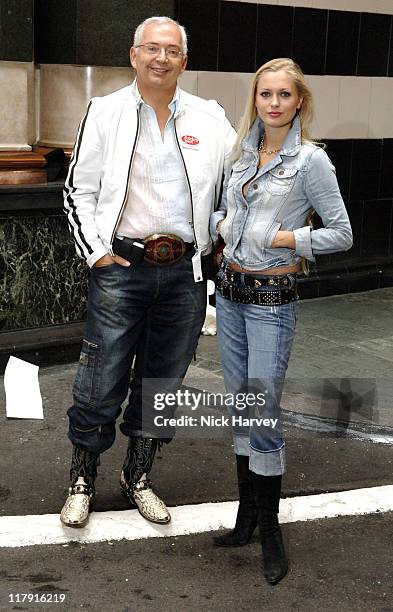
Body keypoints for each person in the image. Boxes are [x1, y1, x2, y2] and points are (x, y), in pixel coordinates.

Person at [61, 16, 236, 528]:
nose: (162, 58)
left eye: (173, 51)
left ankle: (137, 476)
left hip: (184, 273)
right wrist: (96, 252)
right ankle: (82, 479)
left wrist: (222, 236)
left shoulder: (209, 116)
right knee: (101, 377)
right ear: (134, 55)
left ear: (184, 59)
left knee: (163, 381)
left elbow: (236, 176)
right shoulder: (105, 111)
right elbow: (79, 190)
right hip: (121, 267)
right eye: (152, 49)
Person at [210, 58, 352, 584]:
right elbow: (223, 214)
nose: (273, 103)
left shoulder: (312, 161)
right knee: (242, 407)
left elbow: (342, 233)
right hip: (229, 293)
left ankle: (271, 527)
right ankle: (247, 517)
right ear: (256, 100)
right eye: (265, 94)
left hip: (272, 299)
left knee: (263, 414)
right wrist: (224, 228)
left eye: (283, 95)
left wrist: (287, 239)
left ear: (299, 102)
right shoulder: (242, 152)